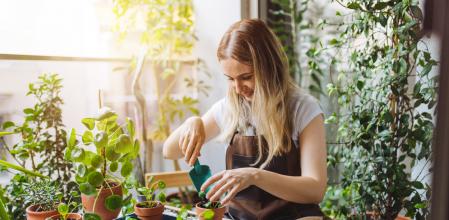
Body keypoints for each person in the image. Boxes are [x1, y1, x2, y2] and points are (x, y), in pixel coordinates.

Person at [163, 19, 326, 220]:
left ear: (269, 67)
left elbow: (315, 189)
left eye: (246, 76)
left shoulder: (303, 109)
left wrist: (254, 176)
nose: (238, 88)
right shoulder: (228, 108)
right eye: (230, 79)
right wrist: (192, 122)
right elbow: (170, 151)